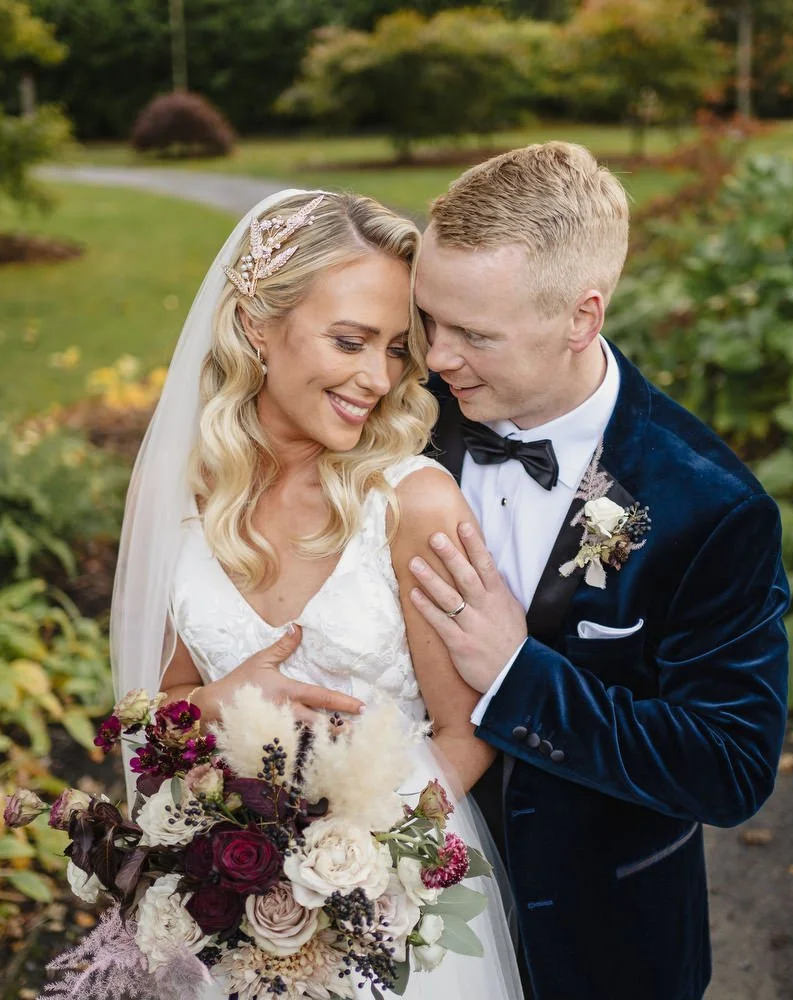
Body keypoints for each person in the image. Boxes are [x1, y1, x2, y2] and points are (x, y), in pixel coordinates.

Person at [108, 189, 524, 999]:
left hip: (391, 934)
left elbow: (467, 732)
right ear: (258, 325)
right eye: (349, 340)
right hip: (225, 921)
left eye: (397, 349)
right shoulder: (180, 496)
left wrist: (356, 865)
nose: (377, 378)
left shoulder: (413, 502)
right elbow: (156, 712)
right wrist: (220, 703)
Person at [404, 142, 791, 999]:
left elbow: (728, 765)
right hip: (402, 939)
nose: (435, 357)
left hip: (604, 948)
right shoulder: (400, 424)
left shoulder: (710, 508)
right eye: (428, 319)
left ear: (583, 317)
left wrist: (516, 674)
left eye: (473, 334)